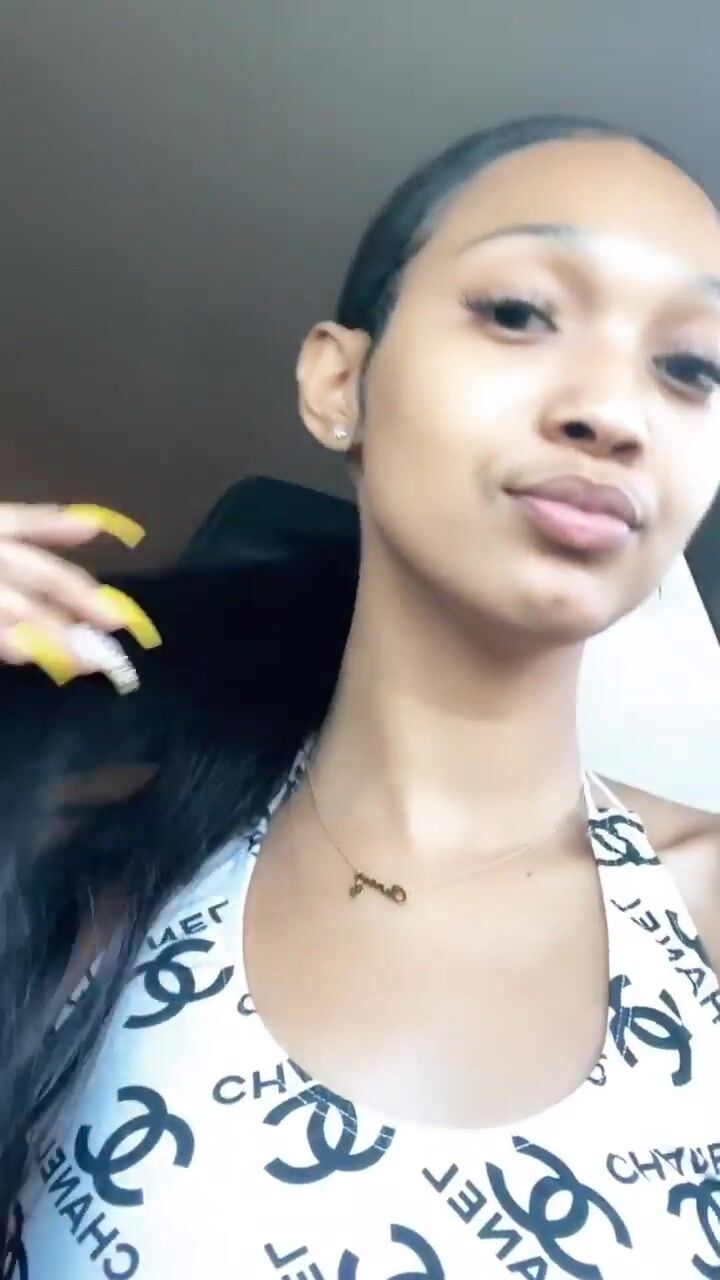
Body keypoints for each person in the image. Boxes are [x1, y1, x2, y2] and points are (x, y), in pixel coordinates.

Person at [2, 113, 720, 1279]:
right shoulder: (95, 847)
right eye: (519, 311)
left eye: (691, 368)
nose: (614, 412)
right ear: (340, 382)